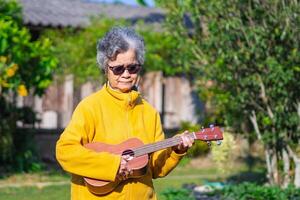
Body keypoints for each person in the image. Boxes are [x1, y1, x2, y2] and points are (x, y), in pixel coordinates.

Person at [56, 27, 194, 200]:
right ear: (105, 68)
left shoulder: (149, 113)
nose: (126, 74)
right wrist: (113, 165)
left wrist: (176, 151)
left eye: (133, 67)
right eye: (118, 69)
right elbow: (65, 152)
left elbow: (156, 169)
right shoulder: (89, 107)